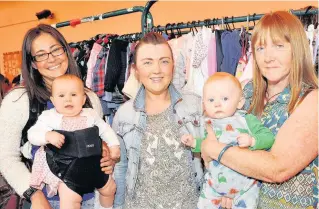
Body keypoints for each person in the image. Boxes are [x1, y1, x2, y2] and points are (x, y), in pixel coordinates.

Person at [200, 11, 318, 209]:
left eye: (279, 46)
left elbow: (277, 168)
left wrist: (213, 148)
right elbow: (213, 148)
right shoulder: (246, 92)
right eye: (261, 48)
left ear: (296, 49)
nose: (268, 57)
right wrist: (228, 189)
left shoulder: (311, 100)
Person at [0, 24, 115, 209]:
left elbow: (98, 142)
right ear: (33, 63)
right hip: (45, 201)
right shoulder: (19, 101)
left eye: (55, 50)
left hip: (92, 199)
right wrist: (34, 194)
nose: (51, 59)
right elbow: (5, 157)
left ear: (66, 51)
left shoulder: (89, 98)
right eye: (41, 54)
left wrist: (106, 158)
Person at [113, 32, 205, 209]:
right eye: (147, 62)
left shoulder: (195, 105)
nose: (157, 70)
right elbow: (121, 170)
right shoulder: (124, 115)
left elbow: (210, 159)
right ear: (136, 71)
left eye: (164, 61)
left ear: (173, 65)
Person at [181, 72, 275, 209]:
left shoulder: (246, 120)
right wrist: (194, 143)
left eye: (225, 99)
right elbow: (206, 146)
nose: (217, 104)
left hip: (246, 187)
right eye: (211, 100)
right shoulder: (208, 124)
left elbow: (269, 137)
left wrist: (253, 141)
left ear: (240, 102)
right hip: (214, 187)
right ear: (204, 104)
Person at [27, 74, 120, 209]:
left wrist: (114, 145)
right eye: (61, 96)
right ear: (53, 100)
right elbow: (32, 134)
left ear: (83, 99)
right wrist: (47, 136)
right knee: (70, 200)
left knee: (109, 189)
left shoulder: (90, 115)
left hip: (93, 166)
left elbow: (106, 130)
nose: (68, 99)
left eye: (74, 95)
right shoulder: (49, 117)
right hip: (66, 170)